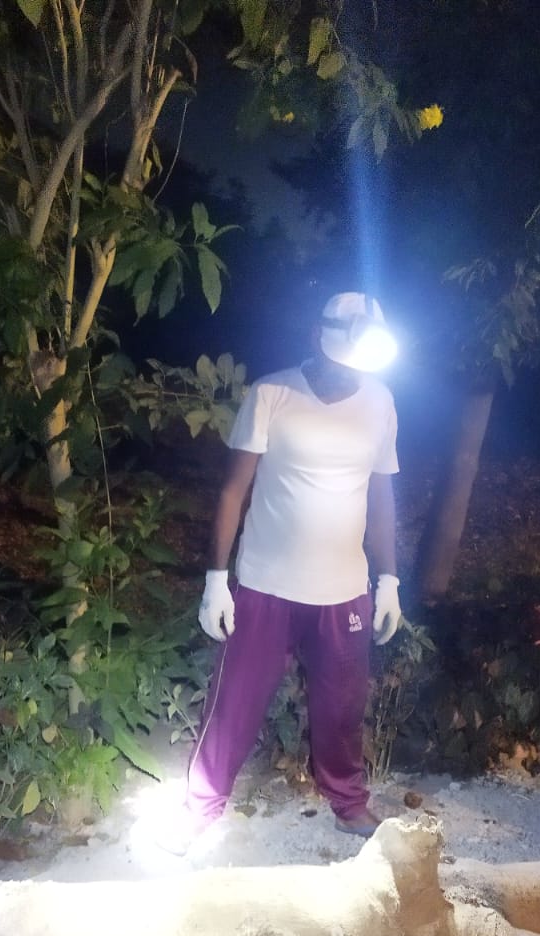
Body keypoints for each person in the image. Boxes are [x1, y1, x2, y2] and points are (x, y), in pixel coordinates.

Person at [161, 292, 403, 854]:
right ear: (319, 340)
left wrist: (389, 580)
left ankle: (349, 802)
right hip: (265, 583)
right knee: (235, 701)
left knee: (342, 707)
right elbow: (233, 490)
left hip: (344, 589)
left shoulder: (381, 401)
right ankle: (201, 806)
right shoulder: (271, 393)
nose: (350, 373)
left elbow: (383, 496)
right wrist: (216, 580)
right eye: (343, 359)